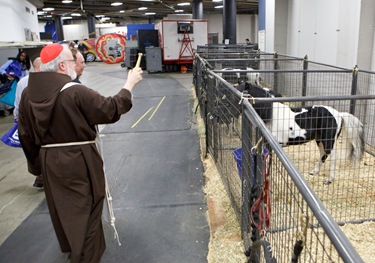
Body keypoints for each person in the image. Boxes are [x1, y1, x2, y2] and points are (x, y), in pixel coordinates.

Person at [17, 43, 143, 263]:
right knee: (89, 209)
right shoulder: (75, 91)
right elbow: (110, 108)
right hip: (79, 159)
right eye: (73, 60)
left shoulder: (28, 94)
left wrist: (38, 167)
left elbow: (25, 134)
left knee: (63, 210)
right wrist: (129, 84)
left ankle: (72, 249)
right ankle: (85, 257)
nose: (77, 64)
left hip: (49, 160)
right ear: (63, 66)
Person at [13, 57, 43, 187]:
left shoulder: (22, 82)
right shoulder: (44, 81)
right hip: (40, 121)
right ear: (37, 67)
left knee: (32, 149)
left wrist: (17, 118)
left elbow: (18, 103)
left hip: (28, 122)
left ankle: (39, 175)